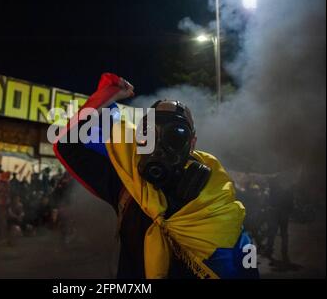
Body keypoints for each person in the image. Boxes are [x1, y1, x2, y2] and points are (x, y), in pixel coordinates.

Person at [54, 73, 258, 279]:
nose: (159, 147)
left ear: (192, 143)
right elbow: (68, 143)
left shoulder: (217, 201)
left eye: (175, 135)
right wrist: (109, 95)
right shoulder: (128, 184)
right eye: (149, 133)